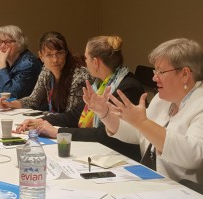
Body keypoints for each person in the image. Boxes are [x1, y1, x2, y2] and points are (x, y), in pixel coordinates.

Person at [83, 38, 203, 185]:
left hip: (182, 190)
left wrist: (143, 122)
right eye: (155, 70)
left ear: (185, 74)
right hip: (150, 181)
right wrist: (105, 113)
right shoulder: (162, 99)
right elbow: (139, 133)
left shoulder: (200, 104)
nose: (154, 77)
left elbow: (193, 156)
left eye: (161, 71)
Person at [16, 36, 144, 161]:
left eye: (86, 57)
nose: (85, 61)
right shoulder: (100, 85)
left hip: (123, 159)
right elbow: (75, 115)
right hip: (101, 151)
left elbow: (105, 134)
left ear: (95, 62)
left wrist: (58, 132)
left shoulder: (126, 88)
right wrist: (39, 121)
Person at [0, 31, 92, 113]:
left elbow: (71, 117)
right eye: (49, 55)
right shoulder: (47, 70)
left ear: (66, 53)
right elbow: (34, 100)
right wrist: (11, 104)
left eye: (59, 53)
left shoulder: (79, 76)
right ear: (41, 56)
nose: (55, 60)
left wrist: (42, 121)